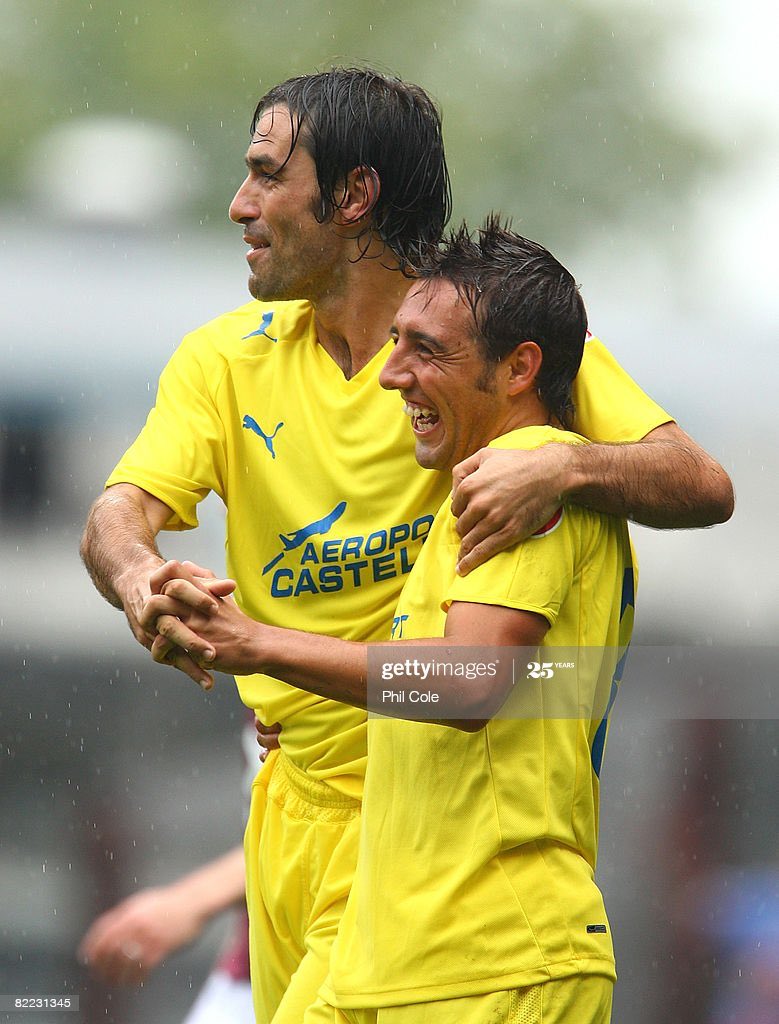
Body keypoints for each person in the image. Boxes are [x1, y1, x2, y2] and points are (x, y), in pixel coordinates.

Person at [80, 68, 732, 1023]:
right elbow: (116, 513)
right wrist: (142, 580)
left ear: (352, 196)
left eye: (267, 174)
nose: (238, 204)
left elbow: (695, 486)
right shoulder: (228, 359)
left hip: (438, 856)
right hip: (292, 805)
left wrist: (568, 468)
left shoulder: (504, 373)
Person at [141, 219, 637, 1023]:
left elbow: (470, 683)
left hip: (495, 960)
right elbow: (486, 685)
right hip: (403, 952)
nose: (390, 375)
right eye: (396, 342)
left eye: (426, 351)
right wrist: (306, 712)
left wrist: (258, 646)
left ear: (520, 368)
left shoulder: (526, 476)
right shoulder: (469, 494)